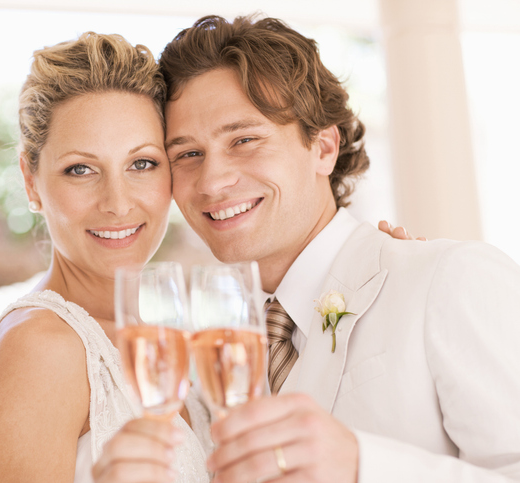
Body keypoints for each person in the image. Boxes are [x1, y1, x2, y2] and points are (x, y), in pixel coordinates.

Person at [150, 14, 520, 483]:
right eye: (187, 154)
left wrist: (363, 465)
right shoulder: (211, 342)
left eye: (244, 139)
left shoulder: (451, 279)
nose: (212, 181)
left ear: (324, 147)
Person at [0, 32, 213, 483]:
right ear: (31, 181)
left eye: (141, 164)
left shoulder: (164, 336)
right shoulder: (40, 349)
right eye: (80, 169)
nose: (118, 204)